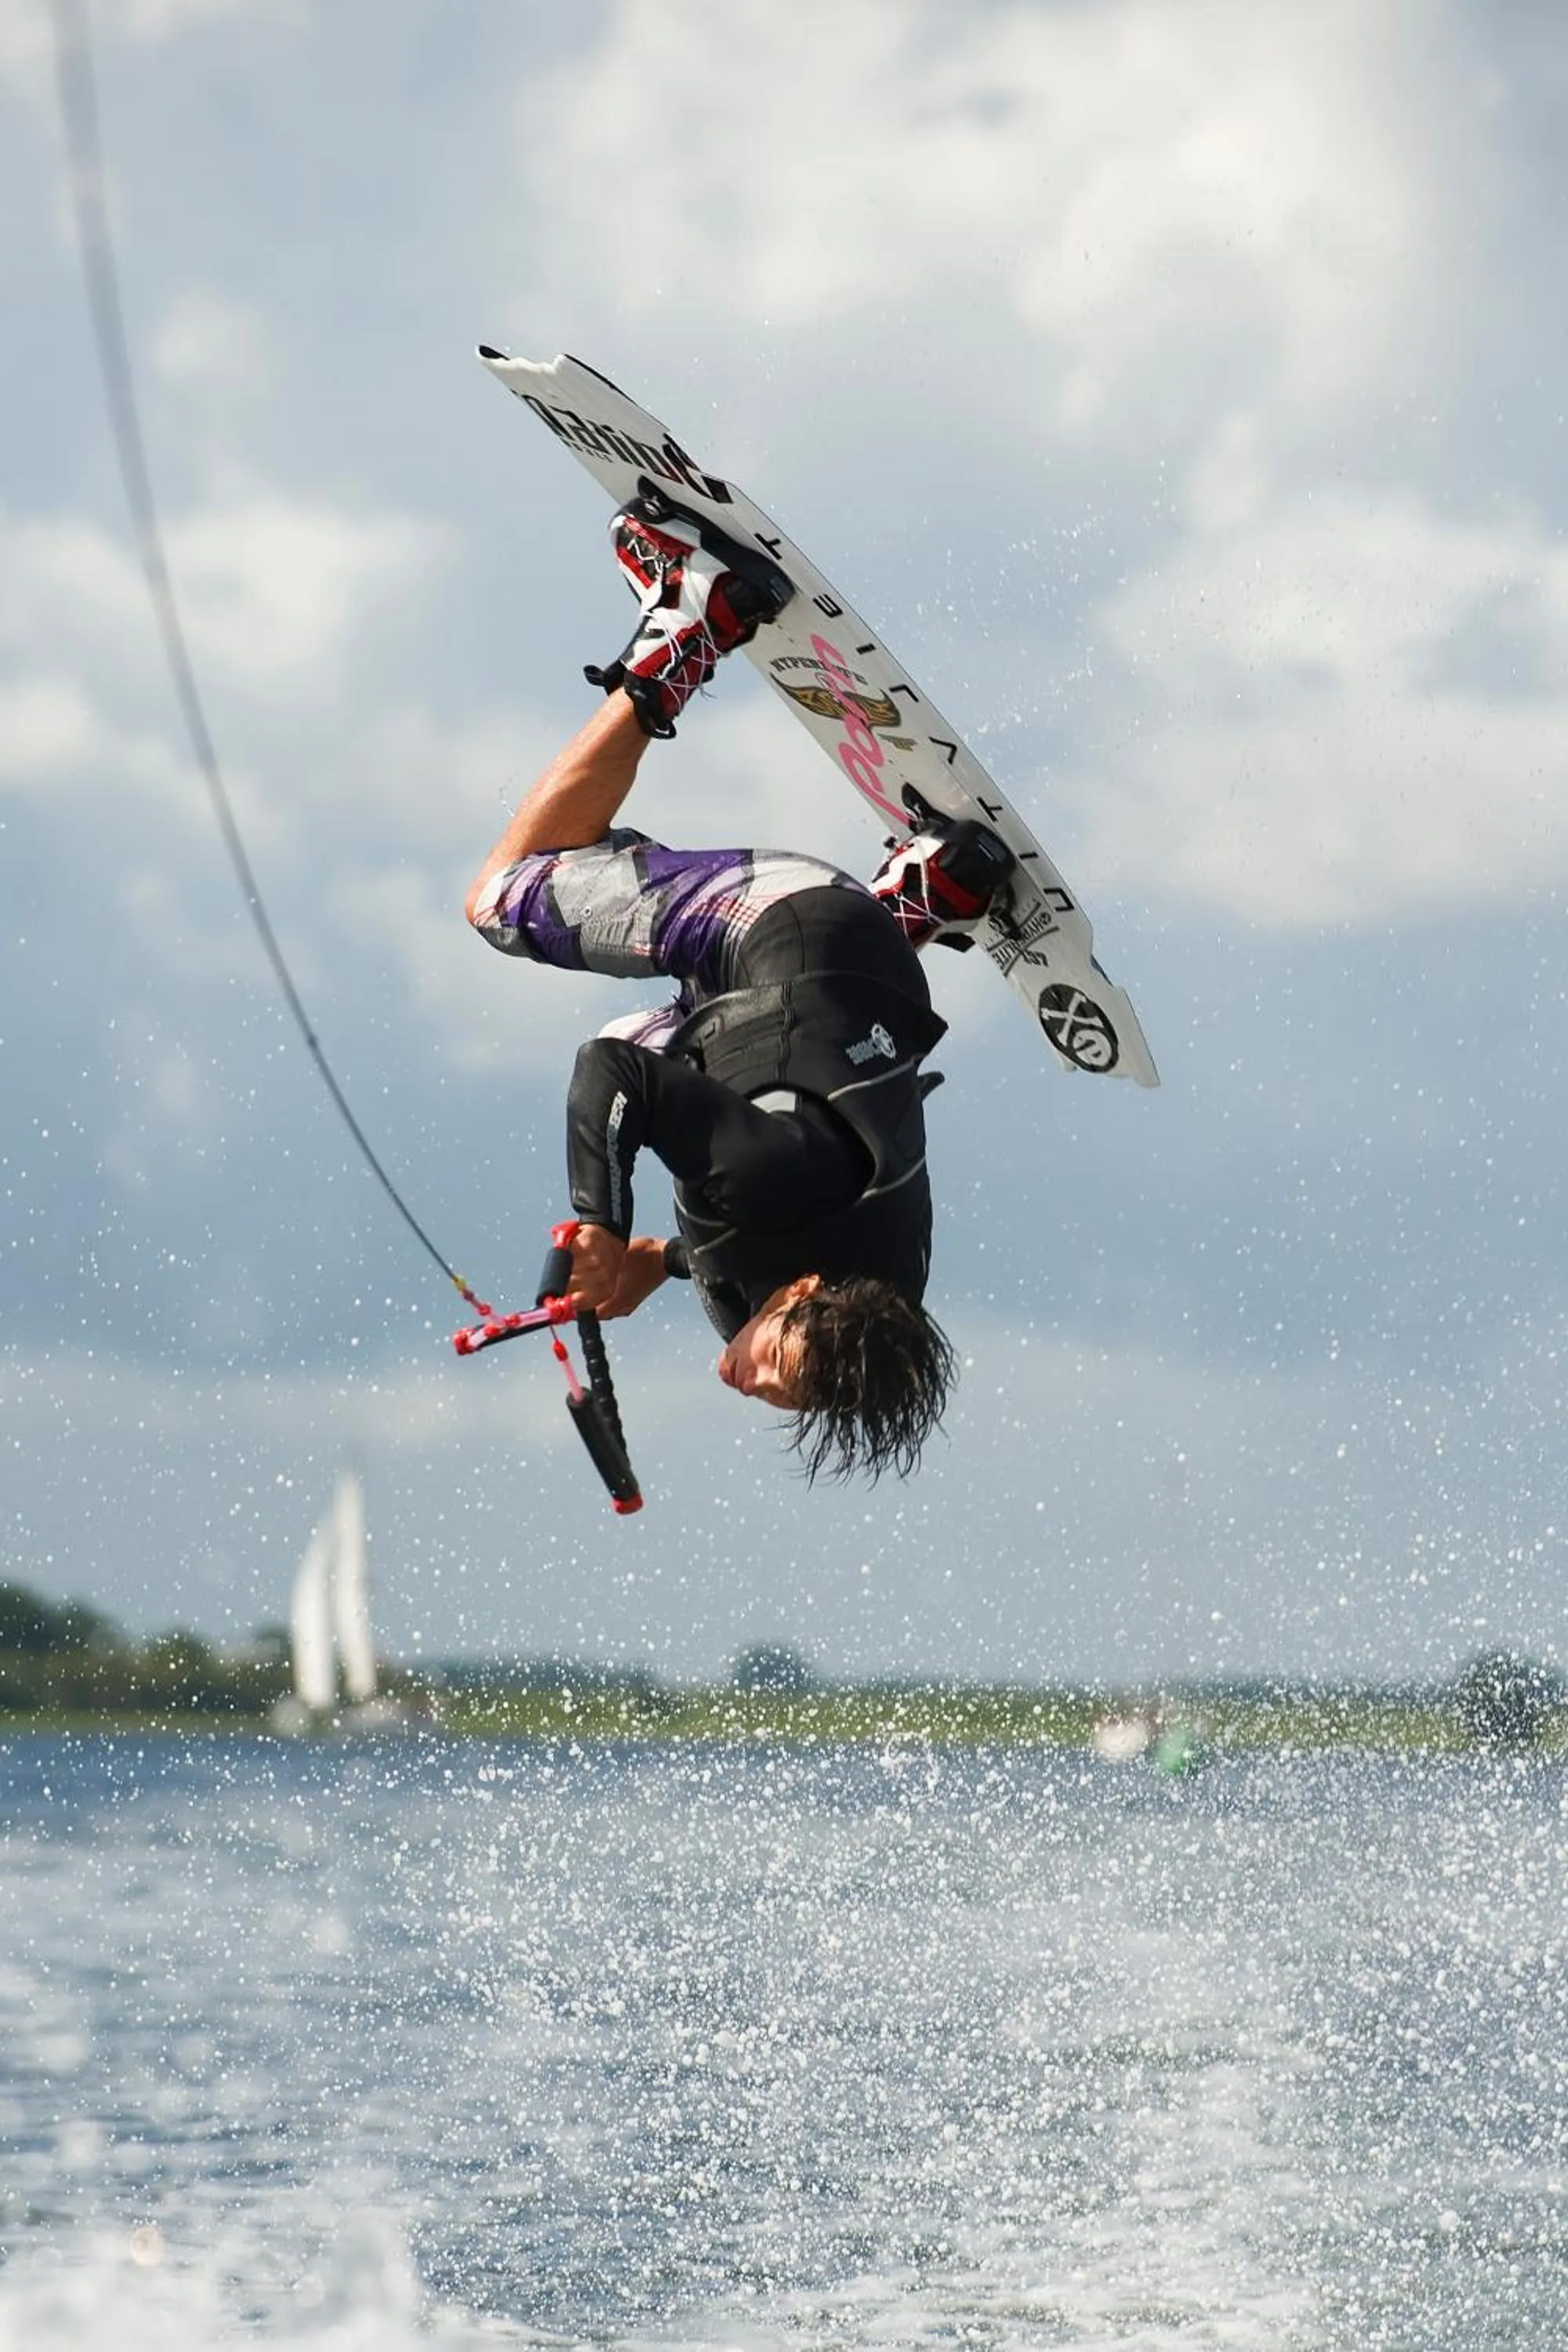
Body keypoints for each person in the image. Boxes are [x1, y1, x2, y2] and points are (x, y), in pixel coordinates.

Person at [464, 495, 1014, 1479]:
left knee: (687, 1036)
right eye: (780, 1366)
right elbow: (613, 1076)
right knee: (505, 900)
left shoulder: (873, 1300)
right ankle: (690, 623)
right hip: (782, 921)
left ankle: (936, 889)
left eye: (780, 1393)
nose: (759, 1384)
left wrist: (655, 1266)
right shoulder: (779, 1194)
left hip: (863, 989)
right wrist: (600, 1222)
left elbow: (770, 1222)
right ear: (804, 1296)